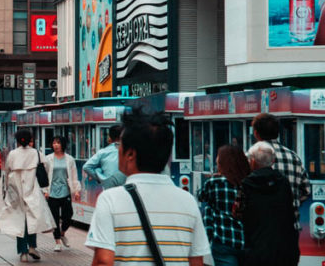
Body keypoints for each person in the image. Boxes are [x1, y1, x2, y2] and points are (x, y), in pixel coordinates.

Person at [86, 111, 210, 266]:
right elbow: (197, 262)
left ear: (130, 154)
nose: (117, 150)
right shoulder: (188, 201)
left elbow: (103, 260)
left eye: (119, 145)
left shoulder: (110, 199)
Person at [0, 129, 54, 263]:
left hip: (16, 191)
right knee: (32, 219)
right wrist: (46, 189)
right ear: (30, 140)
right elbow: (47, 168)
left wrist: (6, 191)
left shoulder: (13, 154)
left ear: (17, 140)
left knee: (19, 221)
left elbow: (7, 170)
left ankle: (23, 253)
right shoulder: (36, 153)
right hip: (32, 190)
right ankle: (32, 246)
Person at [237, 141, 299, 266]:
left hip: (256, 248)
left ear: (253, 161)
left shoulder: (246, 184)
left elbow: (240, 213)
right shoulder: (283, 182)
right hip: (285, 249)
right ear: (273, 161)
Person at [251, 113, 310, 230]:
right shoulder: (294, 158)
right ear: (277, 133)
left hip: (260, 229)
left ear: (256, 133)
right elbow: (306, 191)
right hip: (289, 227)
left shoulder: (250, 157)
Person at [197, 144, 250, 266]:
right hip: (246, 241)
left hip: (223, 239)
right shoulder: (249, 183)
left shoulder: (214, 183)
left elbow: (201, 196)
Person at [42, 135, 81, 252]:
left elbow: (74, 175)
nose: (55, 145)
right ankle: (57, 241)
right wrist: (45, 191)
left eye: (58, 143)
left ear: (63, 144)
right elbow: (44, 176)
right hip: (52, 193)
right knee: (54, 218)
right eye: (54, 143)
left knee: (68, 216)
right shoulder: (48, 159)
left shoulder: (69, 159)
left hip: (65, 191)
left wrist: (77, 190)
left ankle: (63, 233)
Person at [82, 124, 126, 189]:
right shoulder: (130, 152)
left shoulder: (103, 152)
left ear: (110, 137)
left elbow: (86, 167)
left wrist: (101, 178)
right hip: (126, 190)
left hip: (109, 190)